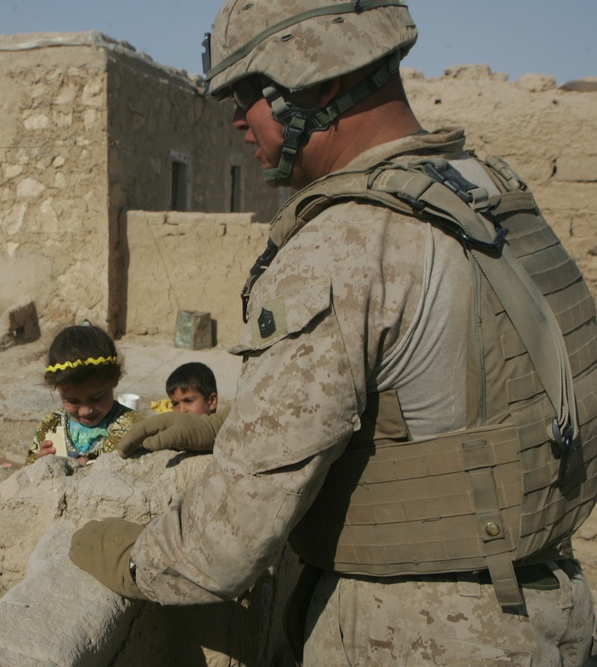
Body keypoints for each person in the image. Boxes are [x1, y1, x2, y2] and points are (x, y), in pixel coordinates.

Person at [69, 1, 597, 664]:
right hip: (547, 607)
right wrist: (214, 427)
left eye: (246, 93)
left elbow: (224, 546)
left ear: (316, 81)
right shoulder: (485, 190)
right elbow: (437, 414)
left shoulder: (346, 243)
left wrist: (121, 552)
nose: (235, 118)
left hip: (418, 632)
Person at [26, 324, 143, 465]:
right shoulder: (50, 427)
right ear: (57, 389)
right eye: (73, 401)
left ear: (114, 380)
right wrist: (40, 464)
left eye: (96, 398)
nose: (85, 410)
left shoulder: (134, 430)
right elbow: (28, 474)